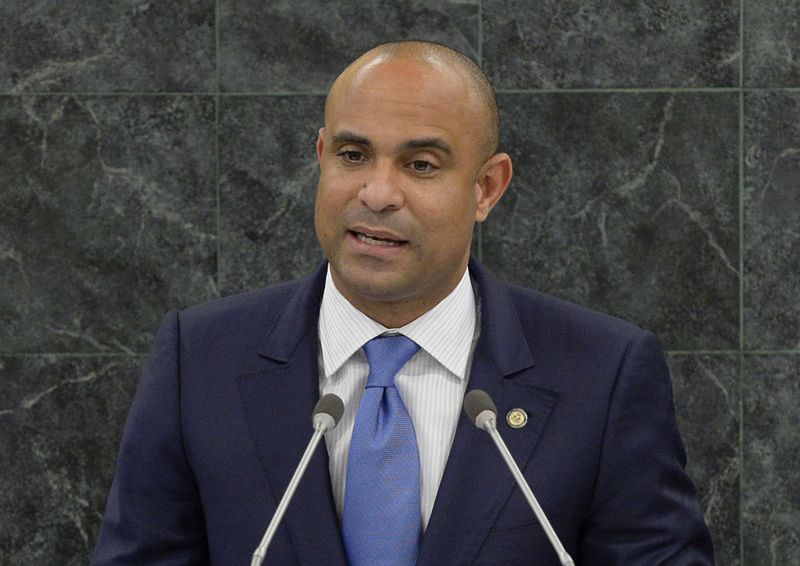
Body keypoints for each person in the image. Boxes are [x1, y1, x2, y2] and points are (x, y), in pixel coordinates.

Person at [93, 41, 714, 564]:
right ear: (321, 157)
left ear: (486, 188)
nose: (377, 193)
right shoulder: (198, 358)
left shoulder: (603, 371)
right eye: (353, 155)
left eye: (420, 164)